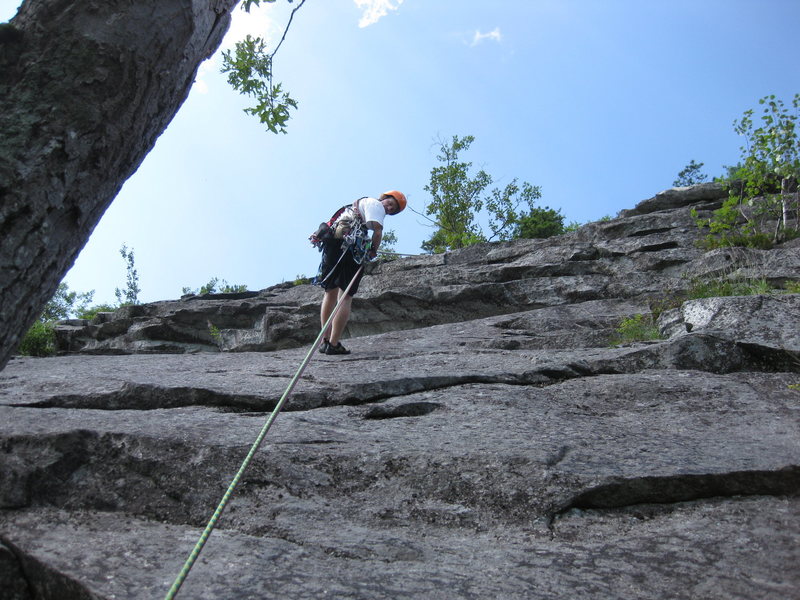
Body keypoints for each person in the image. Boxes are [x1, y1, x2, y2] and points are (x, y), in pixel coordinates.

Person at [314, 190, 406, 355]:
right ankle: (333, 343)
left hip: (333, 241)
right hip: (349, 247)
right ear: (385, 198)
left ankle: (324, 340)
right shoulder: (376, 205)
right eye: (390, 204)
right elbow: (377, 232)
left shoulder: (359, 204)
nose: (389, 209)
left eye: (393, 210)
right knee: (346, 296)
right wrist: (372, 251)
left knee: (330, 292)